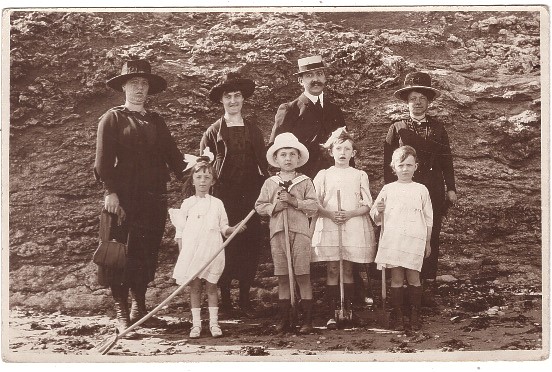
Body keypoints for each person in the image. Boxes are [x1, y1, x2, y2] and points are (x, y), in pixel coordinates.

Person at [94, 59, 187, 333]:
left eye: (144, 84)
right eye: (134, 83)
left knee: (146, 254)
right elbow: (102, 162)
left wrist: (202, 164)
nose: (139, 88)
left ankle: (140, 309)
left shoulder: (157, 120)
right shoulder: (112, 118)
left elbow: (175, 158)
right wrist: (110, 192)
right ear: (123, 86)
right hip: (123, 200)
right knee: (120, 254)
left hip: (154, 198)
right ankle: (122, 312)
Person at [384, 71, 457, 307]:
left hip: (432, 190)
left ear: (428, 102)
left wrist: (451, 188)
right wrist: (388, 192)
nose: (418, 102)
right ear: (407, 101)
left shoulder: (438, 128)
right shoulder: (396, 128)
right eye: (413, 98)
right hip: (403, 191)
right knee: (402, 234)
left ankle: (425, 288)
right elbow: (388, 163)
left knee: (429, 236)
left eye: (422, 98)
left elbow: (447, 159)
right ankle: (402, 288)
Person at [200, 72, 269, 315]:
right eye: (228, 97)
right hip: (223, 198)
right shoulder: (213, 132)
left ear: (243, 99)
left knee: (249, 246)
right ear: (222, 101)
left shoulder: (254, 130)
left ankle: (245, 301)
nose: (233, 101)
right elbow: (204, 169)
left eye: (237, 96)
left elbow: (264, 165)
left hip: (249, 196)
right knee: (225, 246)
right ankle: (226, 301)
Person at [168, 156, 247, 339]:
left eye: (207, 177)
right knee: (195, 288)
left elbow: (223, 228)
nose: (203, 181)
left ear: (213, 181)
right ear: (193, 180)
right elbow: (180, 232)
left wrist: (234, 229)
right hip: (193, 253)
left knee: (212, 287)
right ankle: (196, 325)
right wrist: (183, 256)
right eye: (199, 177)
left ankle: (214, 323)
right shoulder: (187, 204)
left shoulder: (217, 203)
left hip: (213, 250)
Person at [311, 127, 377, 329]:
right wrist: (330, 214)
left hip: (352, 224)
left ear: (353, 153)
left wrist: (349, 214)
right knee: (332, 269)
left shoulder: (359, 175)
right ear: (330, 151)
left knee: (348, 268)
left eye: (347, 149)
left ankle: (347, 310)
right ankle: (333, 312)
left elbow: (367, 204)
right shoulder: (323, 175)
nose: (342, 153)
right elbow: (315, 203)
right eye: (338, 148)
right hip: (330, 223)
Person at [255, 133, 318, 334]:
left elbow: (314, 206)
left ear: (298, 158)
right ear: (276, 159)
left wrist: (294, 202)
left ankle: (307, 320)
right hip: (278, 233)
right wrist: (275, 206)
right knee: (283, 276)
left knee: (302, 275)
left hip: (300, 232)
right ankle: (284, 318)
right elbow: (259, 205)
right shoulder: (270, 183)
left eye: (292, 154)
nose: (288, 158)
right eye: (283, 154)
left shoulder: (305, 181)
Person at [371, 145, 433, 330]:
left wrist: (427, 242)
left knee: (414, 277)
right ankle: (398, 316)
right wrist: (378, 211)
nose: (405, 169)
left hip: (414, 239)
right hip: (394, 240)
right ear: (393, 167)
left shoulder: (421, 190)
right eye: (401, 165)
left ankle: (414, 315)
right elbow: (376, 216)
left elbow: (429, 218)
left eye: (409, 165)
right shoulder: (388, 189)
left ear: (416, 166)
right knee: (396, 278)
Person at [269, 55, 346, 179]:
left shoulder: (335, 110)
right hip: (301, 182)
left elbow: (345, 145)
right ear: (300, 81)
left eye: (319, 74)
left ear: (325, 78)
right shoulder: (290, 110)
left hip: (333, 180)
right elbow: (275, 151)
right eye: (309, 76)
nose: (316, 79)